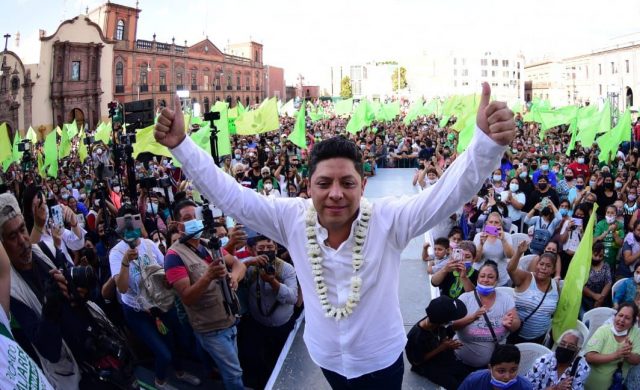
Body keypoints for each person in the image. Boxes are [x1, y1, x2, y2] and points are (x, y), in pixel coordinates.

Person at [154, 83, 516, 388]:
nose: (336, 193)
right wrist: (182, 146)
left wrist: (484, 146)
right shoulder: (291, 218)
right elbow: (230, 195)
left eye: (347, 182)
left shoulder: (389, 219)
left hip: (381, 361)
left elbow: (446, 195)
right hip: (326, 357)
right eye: (324, 183)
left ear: (363, 184)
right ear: (308, 186)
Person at [108, 204, 197, 389]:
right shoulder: (116, 253)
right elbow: (122, 288)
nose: (132, 227)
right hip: (137, 311)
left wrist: (166, 280)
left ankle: (180, 372)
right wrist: (125, 262)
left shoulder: (148, 244)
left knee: (175, 339)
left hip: (160, 303)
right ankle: (160, 381)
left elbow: (165, 269)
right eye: (127, 223)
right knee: (163, 353)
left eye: (135, 220)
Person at [163, 200, 247, 390]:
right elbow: (187, 297)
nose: (194, 221)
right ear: (178, 225)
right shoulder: (174, 256)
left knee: (234, 369)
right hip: (211, 328)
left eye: (196, 216)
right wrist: (208, 276)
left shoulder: (209, 244)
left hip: (230, 318)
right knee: (234, 374)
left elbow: (238, 264)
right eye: (187, 218)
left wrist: (234, 277)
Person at [0, 197, 54, 389]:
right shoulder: (9, 296)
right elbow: (49, 349)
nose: (23, 241)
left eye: (23, 230)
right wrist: (53, 306)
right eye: (12, 237)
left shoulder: (45, 251)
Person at [240, 235, 299, 389]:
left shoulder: (286, 269)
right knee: (260, 358)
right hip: (258, 325)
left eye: (270, 248)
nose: (266, 252)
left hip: (283, 326)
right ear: (253, 251)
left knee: (282, 358)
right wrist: (246, 263)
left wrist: (273, 282)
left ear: (276, 248)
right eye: (261, 249)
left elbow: (293, 297)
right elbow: (235, 269)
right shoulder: (250, 268)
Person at [454, 261, 520, 369]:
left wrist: (510, 323)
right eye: (482, 276)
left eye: (490, 277)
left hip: (489, 367)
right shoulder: (465, 298)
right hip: (459, 362)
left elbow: (517, 323)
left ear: (496, 280)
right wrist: (472, 317)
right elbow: (453, 326)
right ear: (477, 278)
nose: (485, 280)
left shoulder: (505, 299)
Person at [406, 295, 471, 390]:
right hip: (426, 364)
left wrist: (446, 344)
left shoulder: (434, 319)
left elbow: (445, 331)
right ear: (443, 322)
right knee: (454, 385)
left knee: (467, 375)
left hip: (441, 353)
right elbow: (417, 361)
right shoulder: (417, 337)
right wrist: (442, 347)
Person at [507, 242, 560, 344]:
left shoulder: (555, 285)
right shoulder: (526, 277)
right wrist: (518, 252)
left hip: (539, 337)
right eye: (541, 264)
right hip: (517, 335)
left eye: (548, 266)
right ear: (536, 265)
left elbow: (555, 308)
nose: (543, 268)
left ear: (553, 270)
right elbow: (510, 269)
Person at [583, 302, 640, 390]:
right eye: (620, 315)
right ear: (615, 316)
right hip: (593, 385)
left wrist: (627, 354)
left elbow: (637, 360)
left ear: (633, 322)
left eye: (627, 318)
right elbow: (589, 357)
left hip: (616, 385)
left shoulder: (636, 333)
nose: (622, 320)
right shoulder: (604, 330)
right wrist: (616, 355)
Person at [458, 343, 534, 390]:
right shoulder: (473, 380)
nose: (507, 377)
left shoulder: (525, 387)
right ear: (490, 368)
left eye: (513, 370)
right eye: (501, 371)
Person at [474, 213, 515, 286]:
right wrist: (481, 244)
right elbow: (476, 259)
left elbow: (510, 256)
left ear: (500, 224)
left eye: (496, 222)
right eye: (491, 222)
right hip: (482, 277)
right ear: (486, 223)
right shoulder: (479, 236)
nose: (493, 225)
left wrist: (503, 240)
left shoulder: (507, 236)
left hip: (500, 277)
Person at [582, 243, 612, 313]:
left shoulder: (606, 266)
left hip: (602, 299)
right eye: (595, 255)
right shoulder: (585, 265)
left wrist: (600, 299)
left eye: (600, 256)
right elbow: (581, 285)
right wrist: (594, 295)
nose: (598, 258)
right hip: (586, 300)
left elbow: (608, 283)